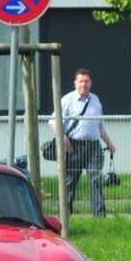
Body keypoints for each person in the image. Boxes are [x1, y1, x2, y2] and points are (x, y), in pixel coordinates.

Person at [51, 69, 116, 217]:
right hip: (73, 147)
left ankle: (99, 217)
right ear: (75, 83)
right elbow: (52, 122)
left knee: (96, 181)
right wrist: (63, 138)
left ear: (90, 83)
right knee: (70, 182)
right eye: (80, 81)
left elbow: (99, 126)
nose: (83, 84)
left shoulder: (96, 100)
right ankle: (65, 216)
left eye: (86, 81)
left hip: (94, 147)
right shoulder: (67, 100)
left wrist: (109, 143)